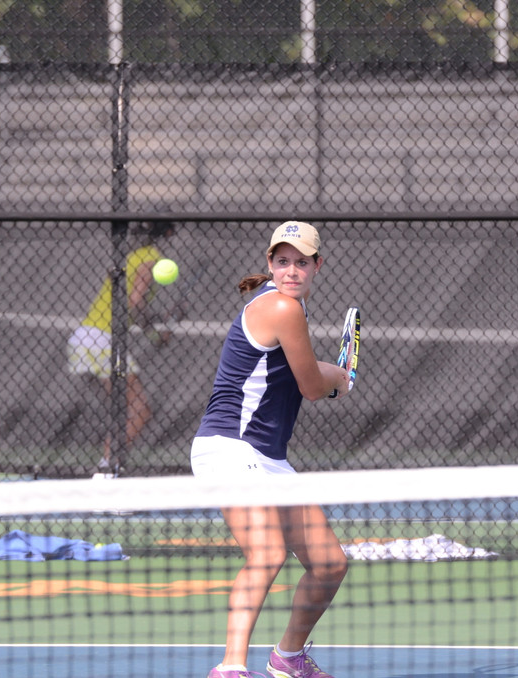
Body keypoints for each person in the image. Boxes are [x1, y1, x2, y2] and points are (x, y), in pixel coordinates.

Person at [191, 221, 351, 678]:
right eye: (283, 261)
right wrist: (337, 384)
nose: (292, 270)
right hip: (227, 448)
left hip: (267, 458)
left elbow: (299, 368)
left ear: (317, 265)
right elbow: (313, 387)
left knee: (328, 564)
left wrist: (330, 376)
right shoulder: (282, 307)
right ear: (270, 263)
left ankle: (288, 657)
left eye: (302, 262)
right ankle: (231, 667)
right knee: (266, 553)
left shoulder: (288, 310)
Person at [67, 221, 174, 476]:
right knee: (139, 410)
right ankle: (106, 472)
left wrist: (154, 325)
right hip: (103, 341)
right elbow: (135, 303)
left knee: (123, 410)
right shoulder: (151, 259)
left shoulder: (131, 257)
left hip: (84, 339)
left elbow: (131, 305)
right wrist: (155, 331)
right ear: (167, 234)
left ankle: (109, 469)